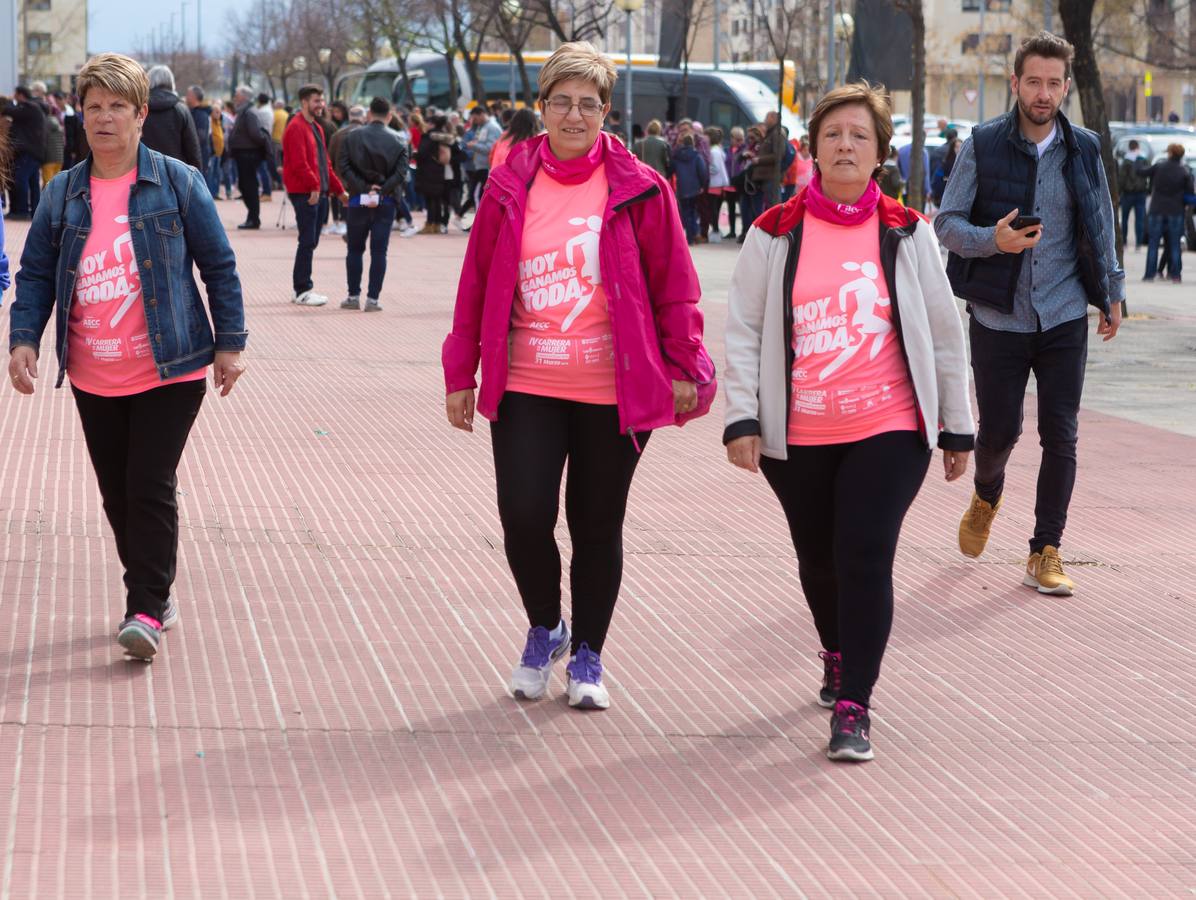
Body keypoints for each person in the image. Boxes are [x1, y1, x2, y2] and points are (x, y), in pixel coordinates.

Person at [443, 41, 715, 711]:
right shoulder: (510, 185)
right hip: (528, 379)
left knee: (596, 524)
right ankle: (547, 626)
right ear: (541, 109)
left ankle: (588, 653)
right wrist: (461, 370)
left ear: (605, 113)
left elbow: (674, 287)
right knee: (524, 516)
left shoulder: (640, 188)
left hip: (611, 389)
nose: (573, 115)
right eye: (560, 102)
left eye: (587, 104)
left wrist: (684, 364)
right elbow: (476, 282)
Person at [723, 81, 974, 762]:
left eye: (859, 136)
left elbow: (945, 333)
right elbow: (744, 329)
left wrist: (957, 424)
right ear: (811, 148)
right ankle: (835, 650)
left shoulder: (907, 230)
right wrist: (741, 416)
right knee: (818, 559)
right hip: (797, 431)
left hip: (889, 425)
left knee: (865, 553)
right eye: (833, 134)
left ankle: (856, 703)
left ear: (879, 154)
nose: (845, 145)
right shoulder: (774, 231)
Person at [7, 53, 247, 661]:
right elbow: (35, 274)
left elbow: (218, 265)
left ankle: (144, 603)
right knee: (117, 492)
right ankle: (155, 588)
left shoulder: (178, 181)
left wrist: (230, 343)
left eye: (117, 106)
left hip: (171, 365)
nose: (105, 118)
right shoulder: (63, 192)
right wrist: (24, 338)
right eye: (94, 107)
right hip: (92, 370)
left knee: (148, 482)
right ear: (79, 116)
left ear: (141, 114)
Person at [936, 31, 1124, 596]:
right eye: (1033, 82)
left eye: (1053, 83)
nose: (1043, 94)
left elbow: (1102, 222)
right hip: (999, 316)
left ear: (1066, 87)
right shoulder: (984, 143)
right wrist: (994, 241)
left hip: (1065, 311)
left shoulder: (1085, 147)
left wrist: (1111, 290)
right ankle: (987, 495)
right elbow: (946, 223)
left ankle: (1046, 549)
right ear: (1015, 83)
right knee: (999, 433)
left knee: (1061, 434)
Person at [338, 96, 409, 311]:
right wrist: (383, 188)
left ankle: (352, 295)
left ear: (369, 114)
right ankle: (373, 299)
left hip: (358, 198)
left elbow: (344, 166)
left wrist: (362, 187)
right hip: (386, 200)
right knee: (379, 251)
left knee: (354, 249)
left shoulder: (352, 137)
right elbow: (401, 172)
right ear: (389, 116)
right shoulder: (399, 139)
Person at [282, 84, 347, 306]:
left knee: (311, 240)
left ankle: (301, 288)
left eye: (321, 100)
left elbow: (325, 164)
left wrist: (339, 190)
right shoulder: (296, 127)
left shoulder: (316, 128)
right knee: (307, 240)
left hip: (316, 191)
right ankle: (302, 289)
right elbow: (300, 164)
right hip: (305, 192)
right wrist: (315, 187)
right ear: (304, 102)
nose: (321, 105)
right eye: (316, 101)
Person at [1141, 143, 1193, 283]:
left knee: (1153, 244)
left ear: (1170, 153)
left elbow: (1142, 172)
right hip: (1176, 211)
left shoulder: (1159, 167)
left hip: (1157, 209)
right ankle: (1175, 275)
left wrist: (1138, 161)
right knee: (1175, 244)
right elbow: (1190, 192)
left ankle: (1149, 275)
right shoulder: (1184, 171)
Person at [228, 85, 273, 228]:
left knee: (249, 186)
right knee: (245, 185)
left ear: (244, 97)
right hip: (244, 154)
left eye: (237, 94)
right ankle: (252, 217)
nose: (235, 97)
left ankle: (253, 218)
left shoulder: (249, 113)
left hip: (248, 154)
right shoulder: (245, 111)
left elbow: (256, 134)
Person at [141, 66, 202, 170]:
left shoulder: (139, 109)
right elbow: (192, 149)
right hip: (176, 174)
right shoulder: (181, 109)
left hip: (143, 171)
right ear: (171, 82)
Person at [2, 86, 47, 218]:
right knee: (33, 183)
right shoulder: (34, 107)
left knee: (20, 178)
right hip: (35, 151)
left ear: (21, 95)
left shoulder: (29, 107)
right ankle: (35, 212)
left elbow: (11, 111)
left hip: (30, 151)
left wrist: (6, 102)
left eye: (15, 94)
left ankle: (22, 211)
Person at [414, 115, 464, 234]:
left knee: (430, 199)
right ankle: (438, 224)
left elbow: (422, 153)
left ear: (431, 124)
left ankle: (430, 224)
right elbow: (462, 154)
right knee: (438, 200)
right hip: (443, 172)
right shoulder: (447, 137)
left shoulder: (428, 136)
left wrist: (415, 156)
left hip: (428, 171)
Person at [463, 105, 502, 215]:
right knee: (477, 196)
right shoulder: (484, 127)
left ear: (481, 114)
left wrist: (474, 146)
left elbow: (490, 148)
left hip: (486, 167)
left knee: (477, 196)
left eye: (475, 118)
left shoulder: (491, 127)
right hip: (482, 167)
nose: (474, 121)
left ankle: (480, 225)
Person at [672, 133, 708, 245]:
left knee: (685, 212)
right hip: (695, 188)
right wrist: (703, 185)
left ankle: (689, 236)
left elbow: (671, 170)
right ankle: (691, 237)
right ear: (692, 143)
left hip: (682, 188)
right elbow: (702, 172)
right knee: (693, 212)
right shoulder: (697, 156)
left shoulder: (677, 156)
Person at [1117, 139, 1149, 249]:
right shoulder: (1143, 159)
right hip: (1141, 193)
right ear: (1138, 146)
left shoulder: (1126, 160)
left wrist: (1118, 191)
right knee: (1139, 219)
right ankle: (1138, 243)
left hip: (1128, 193)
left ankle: (1124, 241)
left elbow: (1121, 178)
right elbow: (1147, 174)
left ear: (1129, 147)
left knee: (1125, 218)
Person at [750, 111, 786, 211]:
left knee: (774, 206)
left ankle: (777, 226)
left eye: (767, 118)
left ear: (773, 119)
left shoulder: (777, 133)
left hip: (772, 176)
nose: (765, 121)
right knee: (769, 205)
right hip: (767, 177)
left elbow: (778, 155)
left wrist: (759, 160)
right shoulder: (770, 133)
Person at [185, 85, 214, 194]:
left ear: (194, 97)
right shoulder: (192, 112)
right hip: (195, 155)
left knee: (200, 189)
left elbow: (201, 136)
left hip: (200, 156)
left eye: (188, 94)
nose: (186, 97)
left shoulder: (201, 114)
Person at [704, 126, 729, 243]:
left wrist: (706, 168)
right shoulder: (718, 150)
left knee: (713, 208)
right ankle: (715, 229)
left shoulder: (713, 151)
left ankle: (715, 231)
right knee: (716, 208)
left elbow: (715, 168)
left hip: (714, 183)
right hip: (719, 183)